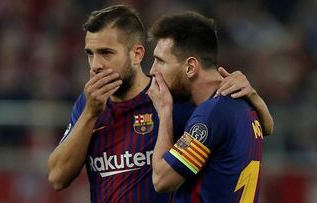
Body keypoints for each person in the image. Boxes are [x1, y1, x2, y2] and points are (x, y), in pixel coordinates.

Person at [48, 5, 273, 203]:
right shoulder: (88, 104)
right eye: (90, 54)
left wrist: (252, 97)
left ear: (136, 55)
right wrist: (89, 114)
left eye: (106, 53)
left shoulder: (174, 99)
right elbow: (57, 178)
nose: (95, 65)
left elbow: (244, 127)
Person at [147, 11, 273, 203]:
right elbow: (268, 128)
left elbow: (162, 180)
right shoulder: (243, 102)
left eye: (161, 61)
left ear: (190, 67)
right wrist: (255, 96)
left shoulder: (211, 113)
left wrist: (164, 111)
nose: (152, 70)